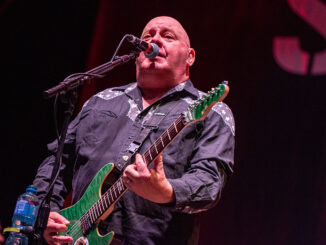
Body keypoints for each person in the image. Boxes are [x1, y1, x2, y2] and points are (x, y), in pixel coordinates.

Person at [33, 16, 235, 245]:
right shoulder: (100, 102)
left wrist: (167, 191)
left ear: (190, 56)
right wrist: (44, 213)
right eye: (147, 36)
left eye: (168, 36)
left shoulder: (212, 111)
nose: (155, 39)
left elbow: (209, 183)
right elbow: (57, 164)